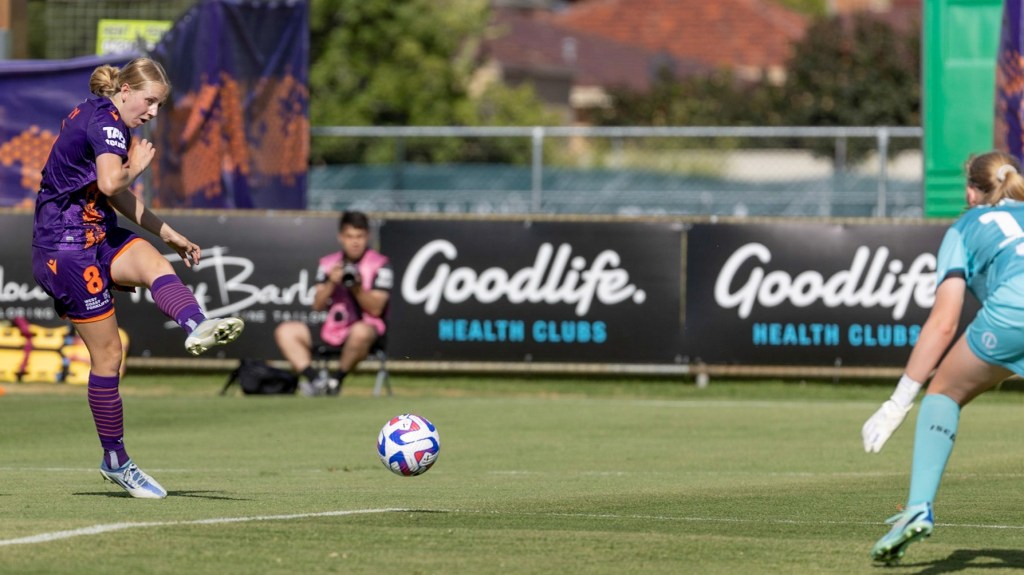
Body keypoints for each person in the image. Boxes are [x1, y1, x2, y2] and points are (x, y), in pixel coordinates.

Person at [31, 58, 245, 499]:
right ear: (125, 90)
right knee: (109, 357)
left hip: (95, 232)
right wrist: (138, 164)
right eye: (149, 101)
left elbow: (115, 195)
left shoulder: (105, 116)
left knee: (153, 262)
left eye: (159, 105)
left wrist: (168, 233)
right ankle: (116, 461)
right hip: (65, 247)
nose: (153, 112)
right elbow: (113, 183)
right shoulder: (107, 123)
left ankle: (196, 324)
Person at [862, 150, 1024, 563]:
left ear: (972, 192)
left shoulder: (965, 227)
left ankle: (918, 507)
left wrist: (898, 403)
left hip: (1012, 314)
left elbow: (944, 323)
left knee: (944, 394)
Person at [275, 211, 392, 396]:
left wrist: (357, 287)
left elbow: (376, 309)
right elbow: (317, 305)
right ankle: (317, 381)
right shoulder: (329, 264)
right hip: (333, 327)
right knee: (286, 331)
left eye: (360, 236)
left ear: (367, 237)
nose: (355, 242)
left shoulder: (380, 264)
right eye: (350, 236)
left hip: (365, 330)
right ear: (341, 237)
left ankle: (336, 380)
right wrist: (331, 282)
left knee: (360, 331)